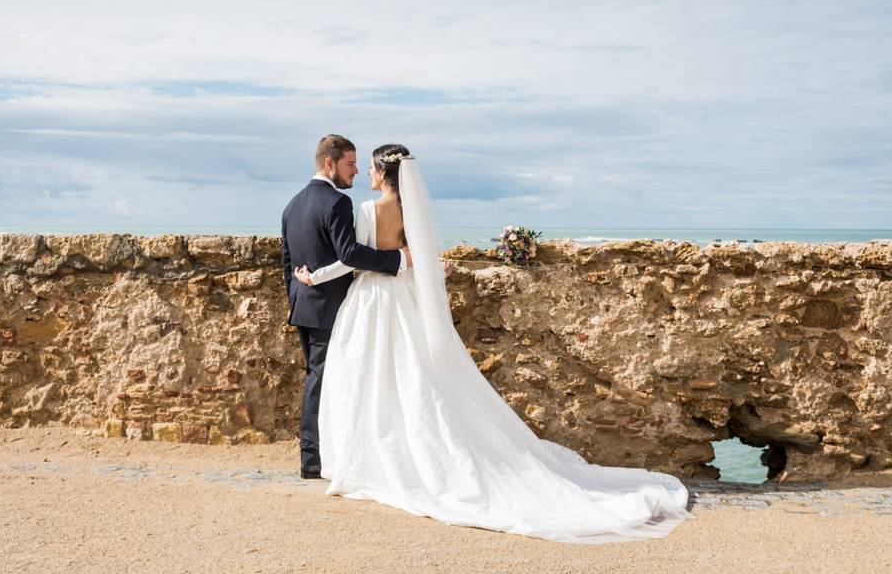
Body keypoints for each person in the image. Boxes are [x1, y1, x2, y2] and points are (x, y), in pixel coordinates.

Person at [291, 143, 695, 545]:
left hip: (370, 302)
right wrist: (427, 265)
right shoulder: (410, 211)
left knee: (370, 378)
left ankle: (372, 458)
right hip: (402, 300)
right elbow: (415, 258)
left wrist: (315, 277)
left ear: (384, 173)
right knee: (415, 376)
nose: (365, 173)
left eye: (371, 168)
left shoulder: (365, 210)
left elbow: (354, 259)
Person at [280, 134, 412, 479]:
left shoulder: (292, 205)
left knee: (322, 379)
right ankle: (313, 460)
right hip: (331, 306)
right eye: (350, 164)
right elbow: (350, 254)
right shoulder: (336, 202)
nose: (355, 171)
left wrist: (297, 295)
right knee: (322, 381)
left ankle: (323, 455)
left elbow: (286, 264)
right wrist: (399, 259)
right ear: (330, 163)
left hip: (304, 307)